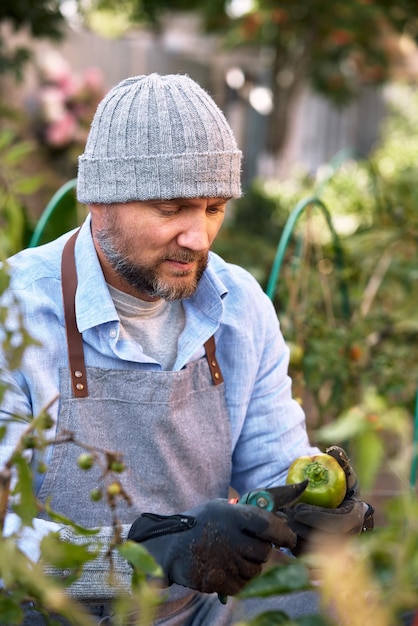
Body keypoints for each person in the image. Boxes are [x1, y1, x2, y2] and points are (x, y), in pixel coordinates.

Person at [0, 73, 373, 625]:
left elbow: (276, 469)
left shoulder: (238, 306)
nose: (198, 237)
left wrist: (313, 506)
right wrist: (146, 556)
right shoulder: (16, 312)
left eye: (214, 208)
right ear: (100, 201)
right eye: (172, 208)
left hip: (196, 614)